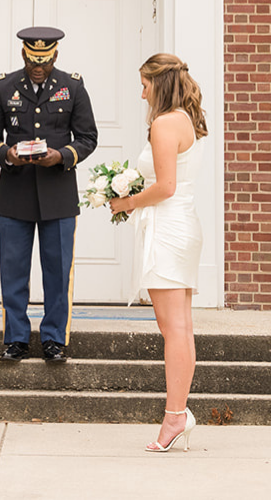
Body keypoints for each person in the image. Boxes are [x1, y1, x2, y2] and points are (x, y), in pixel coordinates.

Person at [0, 26, 98, 363]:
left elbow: (88, 137)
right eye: (33, 60)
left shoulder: (72, 87)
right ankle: (15, 338)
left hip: (58, 191)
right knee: (13, 269)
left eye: (44, 60)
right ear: (23, 55)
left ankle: (54, 339)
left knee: (58, 271)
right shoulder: (4, 87)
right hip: (15, 191)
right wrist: (6, 154)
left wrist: (62, 156)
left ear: (55, 55)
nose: (38, 67)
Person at [109, 52, 206, 452]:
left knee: (174, 330)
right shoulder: (185, 119)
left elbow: (165, 186)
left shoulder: (165, 124)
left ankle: (175, 416)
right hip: (181, 226)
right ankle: (178, 413)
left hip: (168, 229)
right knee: (179, 328)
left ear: (158, 84)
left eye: (145, 83)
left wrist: (126, 202)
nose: (141, 92)